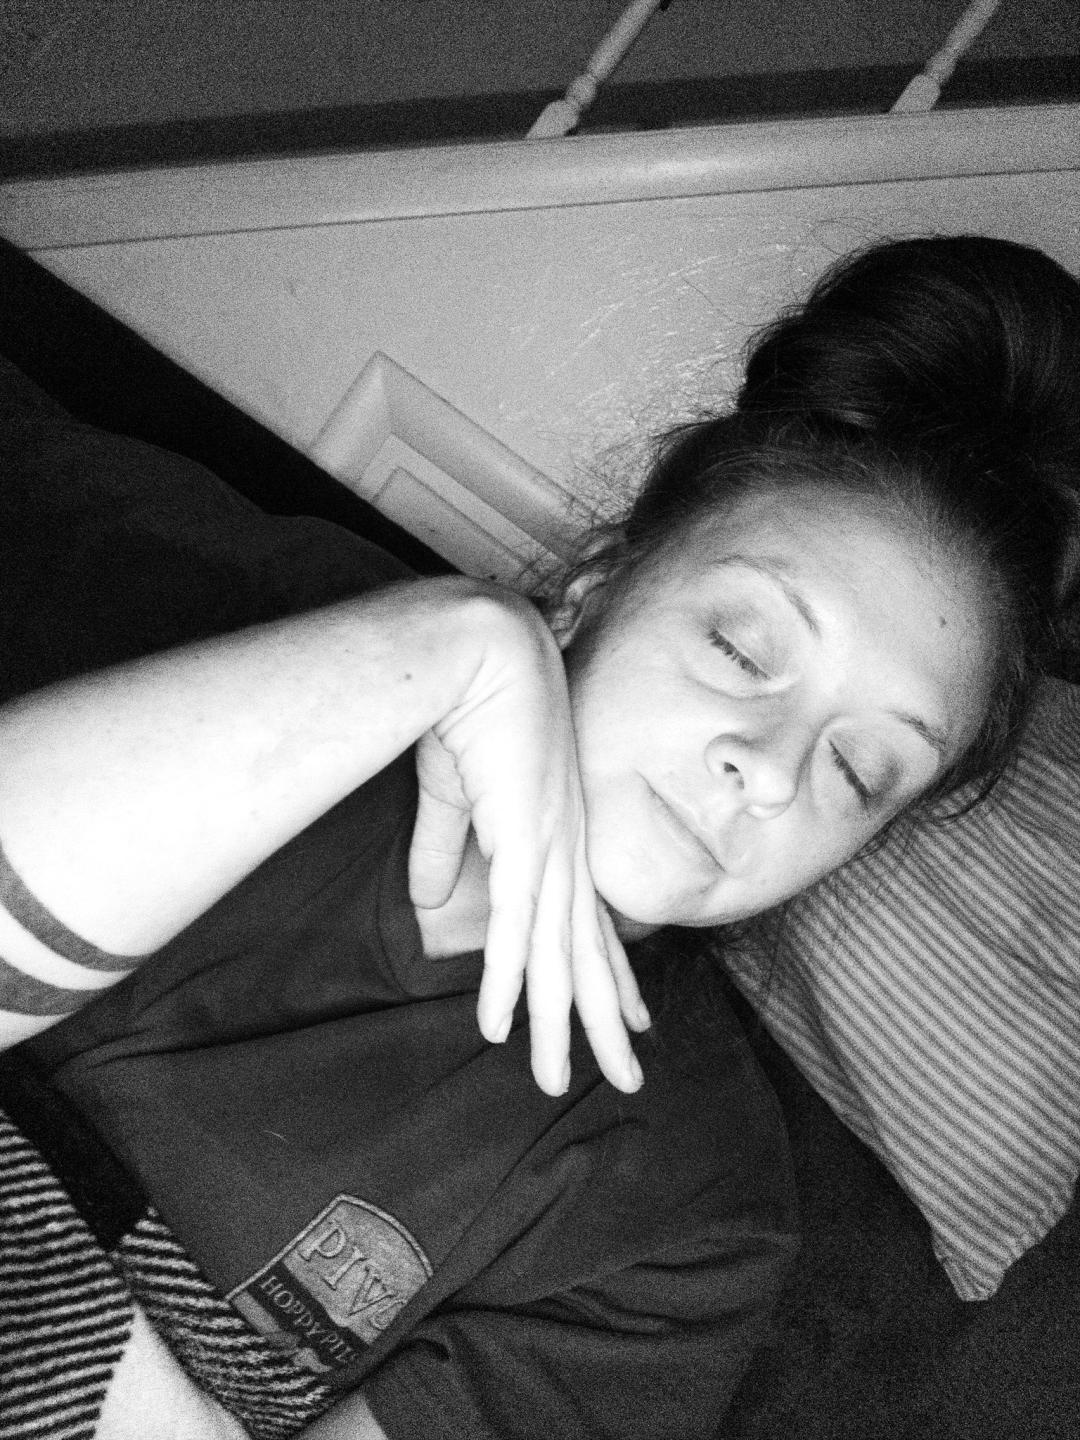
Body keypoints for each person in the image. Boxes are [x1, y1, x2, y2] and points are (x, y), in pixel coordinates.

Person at [0, 233, 1077, 1440]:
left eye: (860, 770)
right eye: (739, 647)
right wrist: (451, 642)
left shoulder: (694, 1223)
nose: (771, 770)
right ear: (594, 588)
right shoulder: (274, 630)